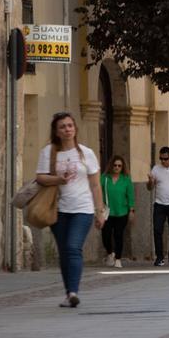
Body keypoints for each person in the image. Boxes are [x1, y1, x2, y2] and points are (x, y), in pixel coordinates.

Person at [35, 112, 105, 308]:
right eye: (62, 127)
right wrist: (59, 179)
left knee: (73, 247)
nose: (67, 129)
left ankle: (74, 291)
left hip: (82, 208)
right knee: (64, 251)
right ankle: (69, 293)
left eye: (70, 125)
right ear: (56, 132)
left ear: (75, 128)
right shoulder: (48, 152)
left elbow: (95, 185)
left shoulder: (86, 152)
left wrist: (100, 212)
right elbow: (40, 177)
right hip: (57, 208)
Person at [101, 155, 135, 268]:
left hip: (122, 212)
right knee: (105, 235)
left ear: (122, 167)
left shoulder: (126, 179)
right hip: (107, 212)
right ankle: (110, 253)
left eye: (119, 166)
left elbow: (130, 195)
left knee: (118, 235)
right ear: (111, 166)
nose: (116, 167)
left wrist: (131, 210)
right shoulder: (104, 178)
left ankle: (118, 259)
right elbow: (97, 191)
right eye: (115, 165)